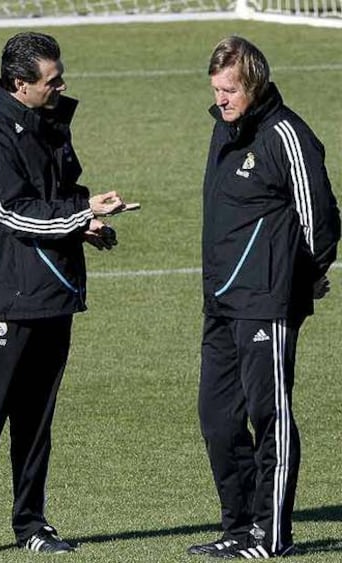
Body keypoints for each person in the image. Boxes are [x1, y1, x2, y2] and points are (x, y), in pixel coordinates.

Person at [0, 31, 130, 559]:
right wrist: (80, 213)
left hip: (53, 291)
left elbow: (59, 194)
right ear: (19, 83)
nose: (61, 85)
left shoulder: (48, 124)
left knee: (36, 420)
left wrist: (87, 224)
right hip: (6, 296)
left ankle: (31, 524)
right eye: (52, 80)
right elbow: (9, 211)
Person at [188, 36, 340, 559]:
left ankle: (272, 535)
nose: (221, 99)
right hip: (221, 302)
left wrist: (295, 284)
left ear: (253, 83)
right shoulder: (224, 129)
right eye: (215, 90)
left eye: (229, 90)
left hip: (266, 304)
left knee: (268, 414)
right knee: (218, 418)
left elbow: (321, 224)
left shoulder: (287, 135)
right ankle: (237, 526)